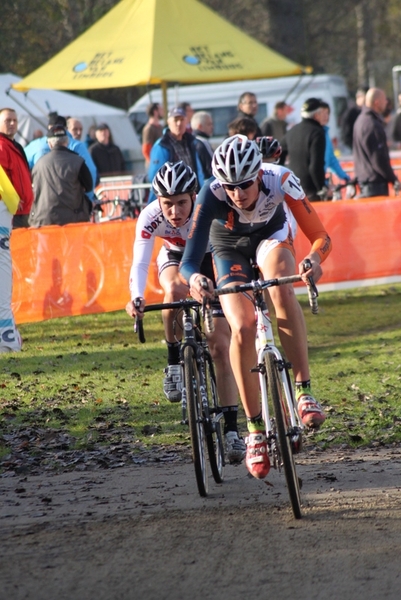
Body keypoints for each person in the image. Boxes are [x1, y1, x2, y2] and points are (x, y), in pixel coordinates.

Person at [180, 135, 332, 479]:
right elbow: (189, 260)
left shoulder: (281, 179)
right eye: (230, 187)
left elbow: (322, 236)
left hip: (271, 237)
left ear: (259, 174)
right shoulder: (211, 193)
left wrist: (312, 259)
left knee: (281, 284)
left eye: (246, 184)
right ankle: (254, 431)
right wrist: (195, 280)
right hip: (228, 248)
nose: (238, 194)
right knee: (243, 325)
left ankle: (304, 390)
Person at [125, 161, 245, 463]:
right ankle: (174, 359)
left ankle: (232, 429)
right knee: (174, 291)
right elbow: (140, 262)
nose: (175, 212)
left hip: (210, 257)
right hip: (175, 259)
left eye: (181, 203)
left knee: (219, 346)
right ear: (158, 201)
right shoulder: (150, 216)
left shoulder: (209, 207)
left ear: (193, 196)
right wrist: (136, 297)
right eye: (168, 204)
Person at [29, 125, 93, 227]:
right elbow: (89, 186)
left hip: (44, 221)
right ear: (67, 142)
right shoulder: (77, 161)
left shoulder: (38, 164)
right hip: (73, 221)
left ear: (49, 144)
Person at [24, 113, 97, 202]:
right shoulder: (77, 146)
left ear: (49, 127)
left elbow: (20, 167)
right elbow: (91, 171)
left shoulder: (36, 145)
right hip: (72, 203)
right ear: (66, 129)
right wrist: (88, 199)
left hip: (43, 203)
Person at [147, 107, 204, 202]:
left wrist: (201, 194)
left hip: (192, 195)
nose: (179, 123)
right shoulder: (161, 145)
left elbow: (198, 171)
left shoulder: (191, 142)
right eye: (175, 120)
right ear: (169, 123)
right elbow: (155, 176)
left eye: (182, 120)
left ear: (186, 122)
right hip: (172, 197)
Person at [353, 88, 399, 198]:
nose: (386, 102)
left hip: (366, 181)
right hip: (375, 185)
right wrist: (393, 179)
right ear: (376, 102)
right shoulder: (372, 124)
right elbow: (378, 158)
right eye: (384, 100)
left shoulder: (361, 120)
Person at [280, 98, 327, 201]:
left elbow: (278, 153)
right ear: (316, 115)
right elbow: (315, 166)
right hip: (311, 190)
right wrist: (321, 188)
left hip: (292, 188)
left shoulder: (293, 131)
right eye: (322, 113)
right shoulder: (317, 132)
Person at [0, 107, 34, 228]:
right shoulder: (2, 146)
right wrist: (12, 199)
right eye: (8, 120)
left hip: (23, 210)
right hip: (10, 211)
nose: (12, 123)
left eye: (15, 120)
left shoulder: (15, 146)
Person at [316, 101, 350, 188]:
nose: (325, 116)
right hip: (313, 184)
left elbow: (331, 158)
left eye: (327, 113)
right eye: (322, 113)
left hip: (322, 182)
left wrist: (345, 177)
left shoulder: (325, 133)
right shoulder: (313, 134)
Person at [191, 111, 214, 179]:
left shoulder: (190, 141)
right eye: (209, 124)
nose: (212, 127)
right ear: (200, 126)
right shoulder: (203, 142)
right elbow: (212, 167)